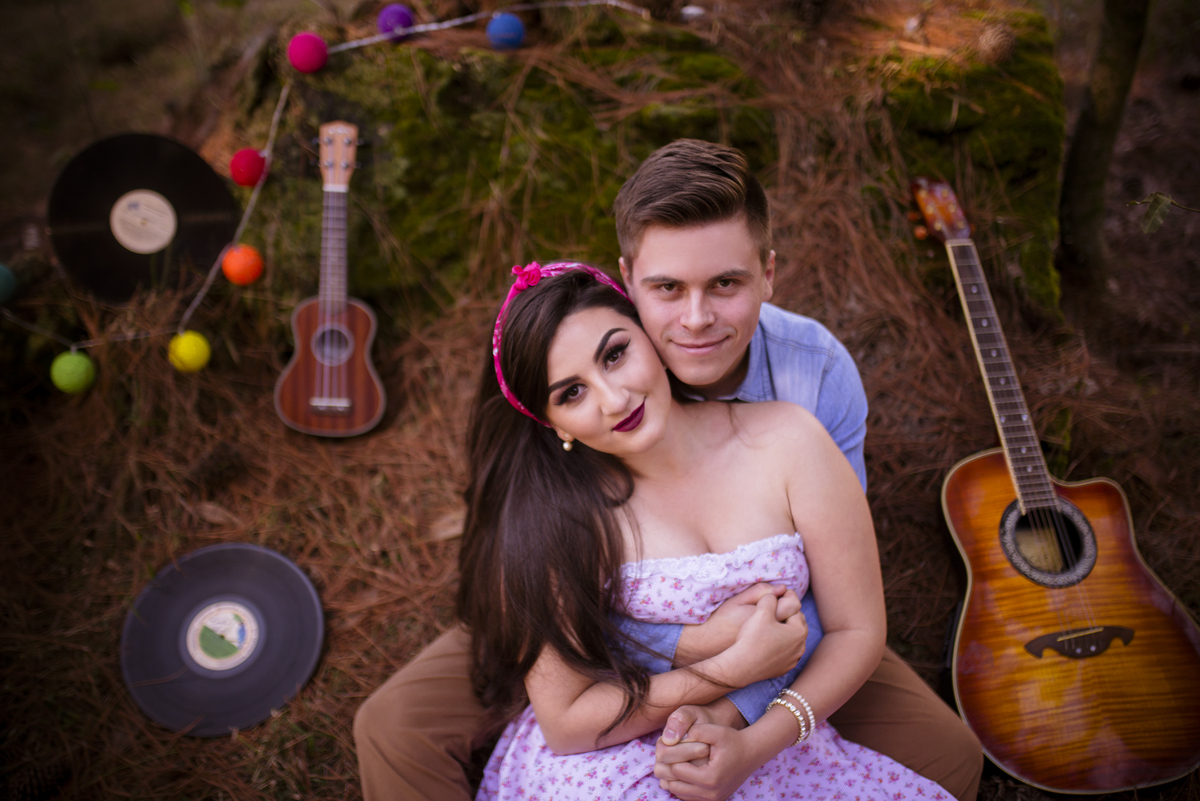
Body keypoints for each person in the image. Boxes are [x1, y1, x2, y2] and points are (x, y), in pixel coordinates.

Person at [353, 139, 983, 801]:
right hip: (588, 622)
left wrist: (743, 713)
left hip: (781, 629)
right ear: (629, 285)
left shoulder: (809, 387)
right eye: (667, 289)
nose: (696, 319)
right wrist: (697, 648)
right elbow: (564, 670)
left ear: (767, 273)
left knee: (948, 757)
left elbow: (834, 603)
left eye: (726, 284)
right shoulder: (565, 469)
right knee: (396, 726)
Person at [461, 261, 951, 801]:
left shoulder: (790, 440)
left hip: (774, 735)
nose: (614, 399)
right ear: (552, 422)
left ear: (649, 332)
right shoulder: (556, 518)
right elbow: (566, 723)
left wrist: (754, 744)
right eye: (572, 393)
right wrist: (728, 668)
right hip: (610, 762)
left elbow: (855, 631)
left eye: (615, 354)